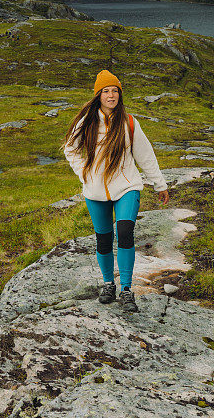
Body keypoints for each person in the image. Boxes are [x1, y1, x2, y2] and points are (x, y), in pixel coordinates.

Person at [60, 69, 169, 312]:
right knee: (104, 239)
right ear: (98, 95)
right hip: (95, 191)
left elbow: (146, 156)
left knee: (126, 231)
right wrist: (84, 173)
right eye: (106, 91)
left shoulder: (129, 123)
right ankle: (108, 283)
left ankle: (127, 290)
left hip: (127, 187)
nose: (111, 95)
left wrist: (159, 184)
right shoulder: (85, 122)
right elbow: (71, 149)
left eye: (115, 91)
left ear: (120, 94)